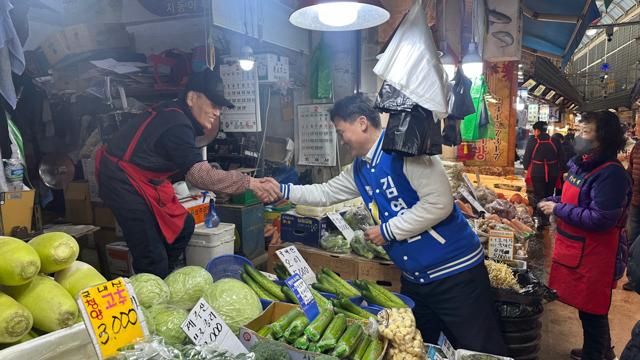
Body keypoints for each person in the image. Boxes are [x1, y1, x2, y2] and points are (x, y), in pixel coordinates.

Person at [275, 94, 507, 355]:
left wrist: (388, 231)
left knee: (480, 349)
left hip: (455, 274)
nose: (341, 140)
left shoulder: (406, 149)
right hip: (416, 280)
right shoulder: (360, 168)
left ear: (362, 123)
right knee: (423, 348)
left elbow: (439, 203)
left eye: (342, 132)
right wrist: (283, 189)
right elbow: (326, 193)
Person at [96, 68, 280, 278]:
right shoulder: (175, 123)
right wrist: (250, 183)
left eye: (219, 107)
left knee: (184, 226)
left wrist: (242, 183)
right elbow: (199, 175)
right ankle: (153, 288)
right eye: (213, 104)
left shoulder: (177, 117)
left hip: (148, 181)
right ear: (192, 98)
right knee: (150, 254)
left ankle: (167, 275)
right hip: (121, 180)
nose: (217, 112)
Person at [538, 111, 631, 360]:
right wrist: (554, 200)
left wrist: (558, 209)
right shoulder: (581, 164)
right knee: (588, 308)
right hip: (578, 249)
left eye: (585, 131)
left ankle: (596, 353)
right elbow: (575, 198)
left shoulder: (611, 174)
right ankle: (601, 348)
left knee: (594, 310)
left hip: (597, 254)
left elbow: (601, 218)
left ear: (602, 138)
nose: (578, 136)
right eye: (578, 130)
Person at [522, 121, 564, 223]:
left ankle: (539, 217)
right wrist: (561, 170)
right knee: (549, 194)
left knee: (538, 194)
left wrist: (526, 166)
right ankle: (547, 217)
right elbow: (562, 157)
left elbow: (527, 156)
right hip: (553, 172)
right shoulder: (555, 140)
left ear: (537, 130)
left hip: (537, 171)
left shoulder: (533, 141)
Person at [625, 138, 640, 292]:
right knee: (632, 240)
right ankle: (633, 278)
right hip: (636, 201)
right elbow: (630, 170)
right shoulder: (637, 147)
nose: (636, 127)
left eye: (638, 125)